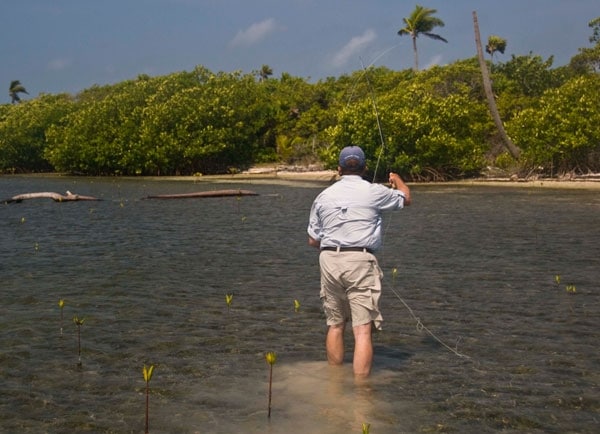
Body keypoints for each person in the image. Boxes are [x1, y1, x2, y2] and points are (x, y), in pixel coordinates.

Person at [307, 145, 411, 377]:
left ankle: (335, 383)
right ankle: (361, 393)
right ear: (364, 168)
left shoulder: (323, 196)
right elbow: (406, 198)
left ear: (339, 169)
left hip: (328, 259)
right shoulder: (375, 191)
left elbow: (313, 240)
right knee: (362, 330)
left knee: (335, 324)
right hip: (360, 259)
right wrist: (398, 180)